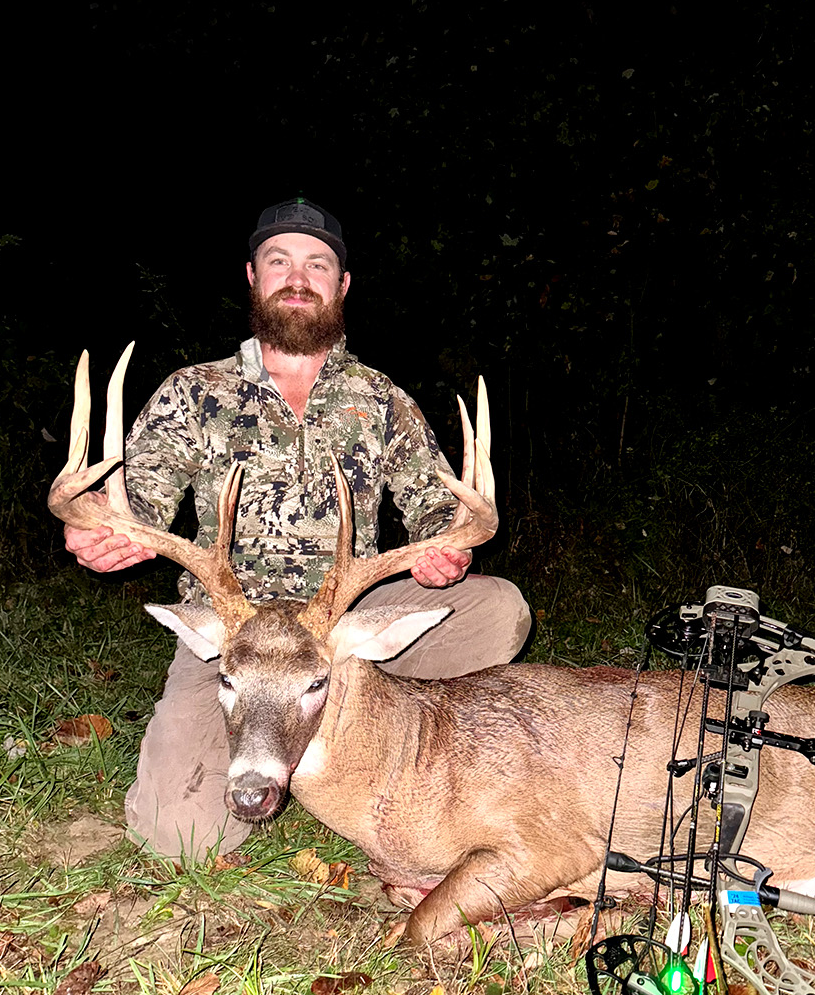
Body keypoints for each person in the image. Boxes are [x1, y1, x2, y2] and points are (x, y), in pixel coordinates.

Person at [65, 199, 532, 861]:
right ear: (253, 276)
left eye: (318, 264)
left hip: (341, 627)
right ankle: (299, 748)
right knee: (180, 837)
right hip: (232, 635)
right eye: (279, 260)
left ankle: (370, 747)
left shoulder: (380, 398)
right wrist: (111, 533)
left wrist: (444, 551)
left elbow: (438, 508)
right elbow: (136, 500)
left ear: (341, 286)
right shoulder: (194, 392)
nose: (298, 276)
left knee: (497, 611)